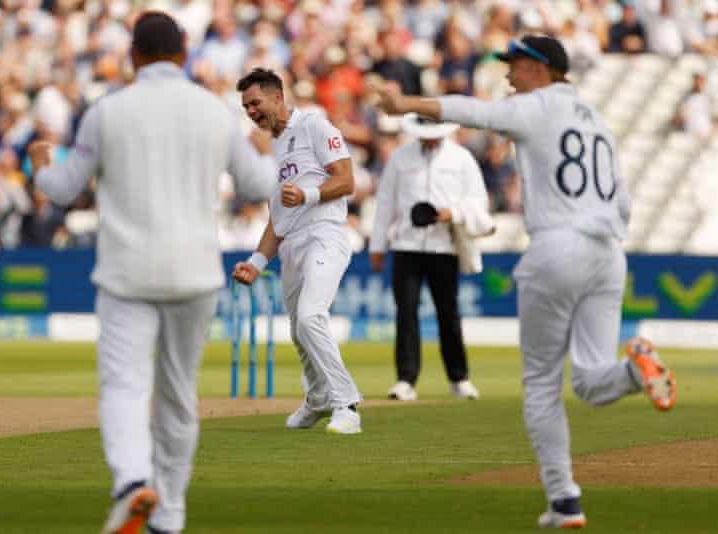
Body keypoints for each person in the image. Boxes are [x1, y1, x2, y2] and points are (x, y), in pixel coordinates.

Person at [376, 35, 677, 528]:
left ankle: (564, 501)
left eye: (513, 66)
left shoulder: (537, 107)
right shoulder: (597, 120)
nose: (508, 77)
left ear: (540, 68)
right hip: (607, 254)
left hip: (558, 247)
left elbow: (473, 112)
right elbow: (622, 202)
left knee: (540, 385)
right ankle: (635, 369)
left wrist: (403, 102)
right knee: (592, 382)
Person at [27, 12, 276, 534]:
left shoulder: (107, 111)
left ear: (133, 55)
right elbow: (257, 185)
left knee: (123, 385)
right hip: (195, 273)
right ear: (184, 53)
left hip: (127, 274)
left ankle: (132, 482)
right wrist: (269, 141)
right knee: (179, 394)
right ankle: (171, 512)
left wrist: (41, 161)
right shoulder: (214, 112)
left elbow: (62, 190)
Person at [233, 68, 364, 435]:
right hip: (291, 244)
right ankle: (318, 397)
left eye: (255, 103)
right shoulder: (268, 148)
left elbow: (347, 180)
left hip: (326, 234)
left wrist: (308, 194)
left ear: (278, 97)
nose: (252, 112)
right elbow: (278, 216)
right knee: (297, 330)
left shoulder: (314, 126)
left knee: (310, 317)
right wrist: (257, 263)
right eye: (245, 107)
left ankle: (346, 404)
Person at [369, 113, 491, 402]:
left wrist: (454, 212)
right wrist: (377, 244)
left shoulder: (461, 159)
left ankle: (459, 378)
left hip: (444, 245)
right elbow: (386, 201)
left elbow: (478, 200)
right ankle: (405, 380)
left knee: (448, 313)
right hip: (406, 245)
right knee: (406, 312)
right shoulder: (400, 158)